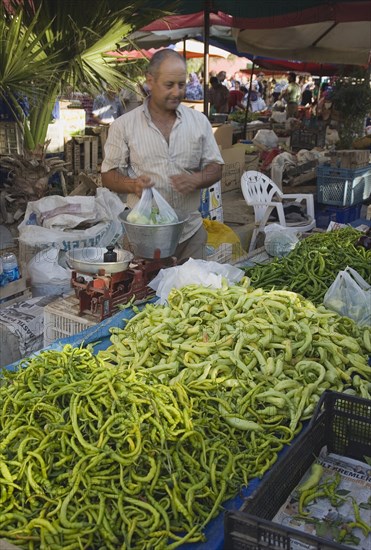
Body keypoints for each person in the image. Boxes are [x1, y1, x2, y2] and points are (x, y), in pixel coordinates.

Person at [101, 49, 224, 261]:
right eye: (169, 85)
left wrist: (197, 179)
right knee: (143, 293)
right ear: (150, 81)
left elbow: (216, 167)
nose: (177, 92)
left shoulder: (199, 122)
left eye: (182, 84)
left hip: (190, 235)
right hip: (143, 237)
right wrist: (133, 185)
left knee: (194, 291)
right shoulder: (124, 126)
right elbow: (107, 175)